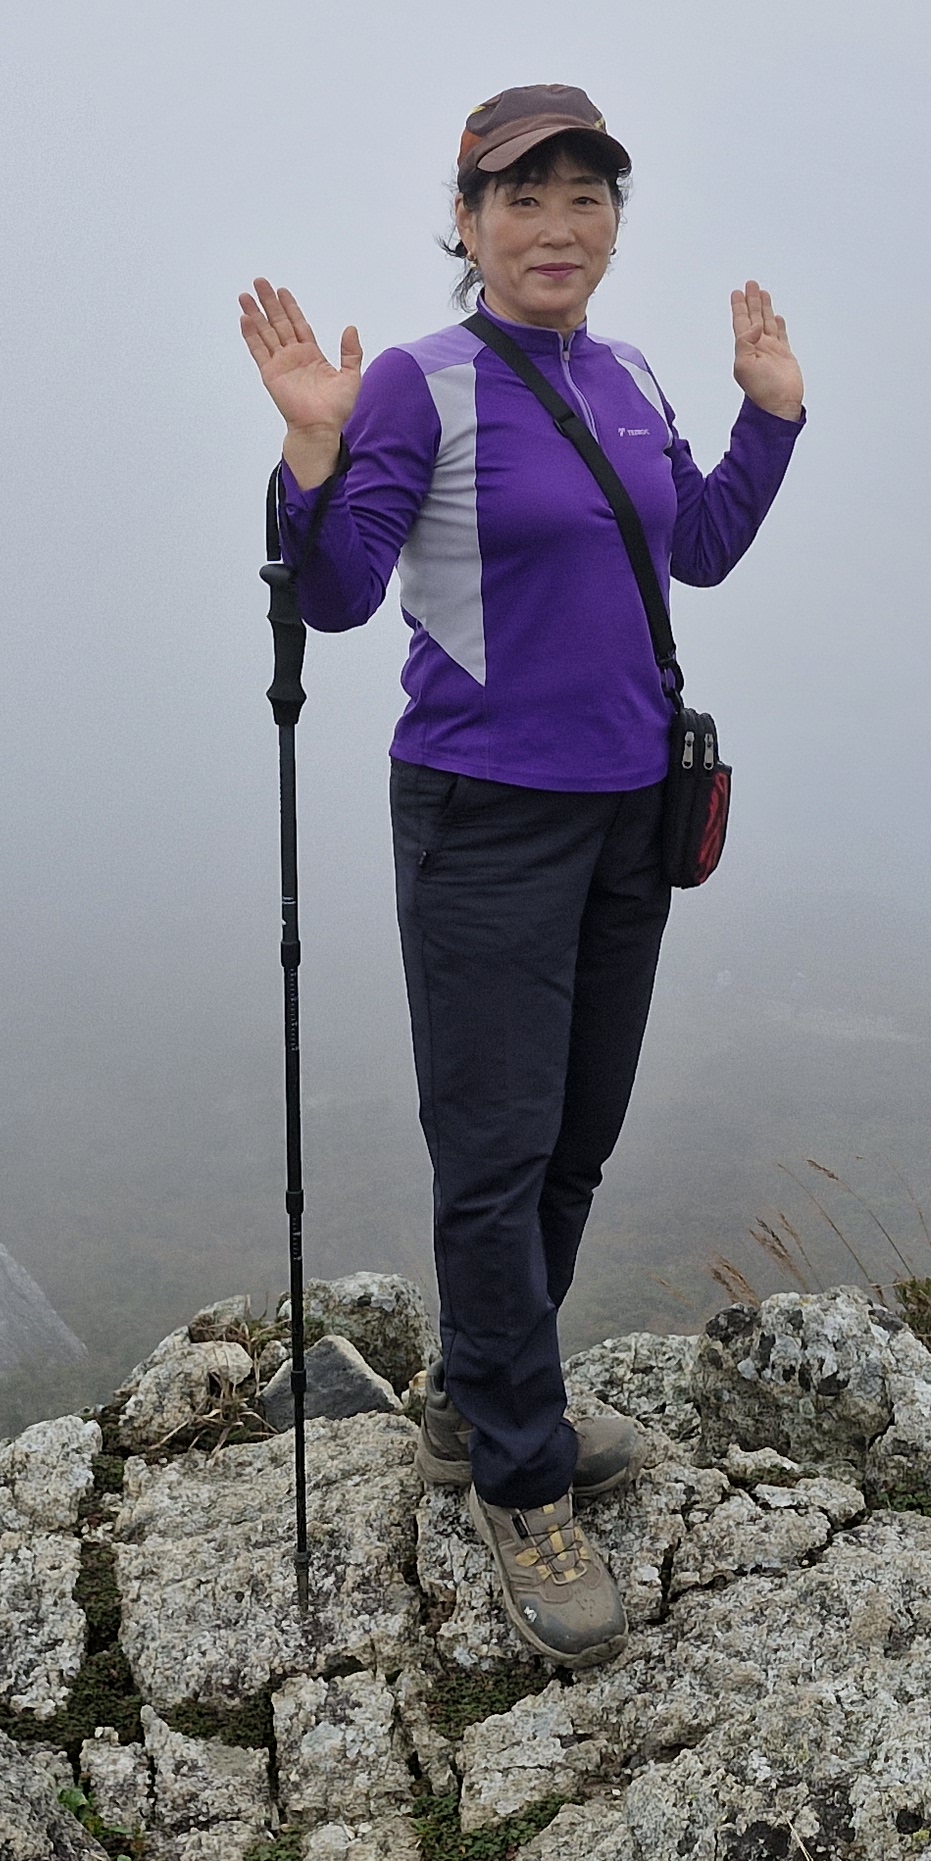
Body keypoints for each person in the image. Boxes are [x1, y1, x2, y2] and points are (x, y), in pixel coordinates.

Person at [236, 83, 806, 1665]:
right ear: (469, 223)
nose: (558, 226)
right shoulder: (419, 384)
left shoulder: (626, 376)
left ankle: (480, 1392)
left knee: (575, 1140)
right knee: (493, 1153)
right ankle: (521, 1479)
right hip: (485, 813)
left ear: (615, 222)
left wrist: (770, 418)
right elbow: (340, 594)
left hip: (629, 810)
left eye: (586, 196)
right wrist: (311, 449)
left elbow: (695, 546)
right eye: (523, 198)